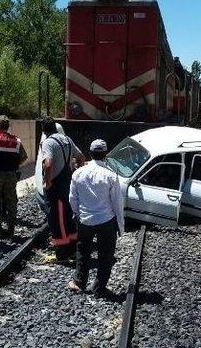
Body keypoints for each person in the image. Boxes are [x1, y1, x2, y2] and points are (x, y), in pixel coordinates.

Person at [68, 139, 125, 298]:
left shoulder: (78, 173)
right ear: (105, 154)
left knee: (83, 251)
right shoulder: (111, 176)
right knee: (106, 255)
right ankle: (99, 288)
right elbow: (117, 202)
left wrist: (77, 214)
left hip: (85, 220)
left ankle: (79, 282)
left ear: (90, 153)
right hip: (106, 221)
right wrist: (120, 226)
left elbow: (73, 198)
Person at [41, 117, 85, 261]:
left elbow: (48, 164)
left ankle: (62, 253)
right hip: (67, 183)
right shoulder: (67, 140)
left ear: (44, 130)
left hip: (55, 186)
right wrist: (77, 172)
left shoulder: (48, 142)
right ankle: (73, 248)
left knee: (56, 218)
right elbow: (81, 157)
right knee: (67, 215)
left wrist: (47, 182)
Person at [0, 115, 28, 237]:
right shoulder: (16, 141)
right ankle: (11, 228)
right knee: (11, 201)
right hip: (11, 174)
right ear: (8, 126)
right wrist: (14, 165)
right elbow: (24, 157)